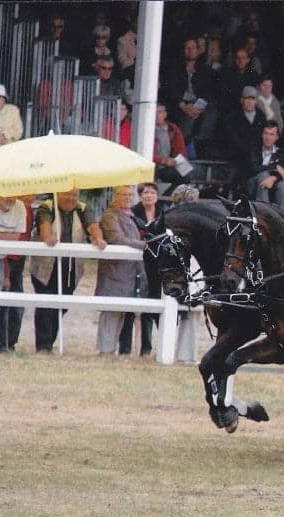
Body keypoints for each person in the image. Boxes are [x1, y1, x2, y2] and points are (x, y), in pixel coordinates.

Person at [31, 189, 106, 352]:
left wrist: (98, 238)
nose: (70, 198)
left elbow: (93, 225)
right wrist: (48, 237)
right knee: (46, 304)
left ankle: (49, 341)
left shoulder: (82, 208)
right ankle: (44, 346)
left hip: (70, 269)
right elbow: (44, 227)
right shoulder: (47, 207)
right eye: (66, 194)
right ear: (58, 194)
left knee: (62, 305)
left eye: (74, 195)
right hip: (45, 268)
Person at [95, 187, 147, 355]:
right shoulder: (111, 216)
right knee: (111, 312)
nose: (127, 197)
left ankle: (110, 350)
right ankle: (105, 350)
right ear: (115, 197)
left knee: (120, 312)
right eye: (123, 194)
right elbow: (117, 239)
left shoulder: (130, 216)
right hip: (114, 271)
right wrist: (145, 245)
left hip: (129, 273)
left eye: (130, 195)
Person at [119, 183, 165, 356]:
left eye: (152, 192)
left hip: (156, 267)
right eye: (145, 192)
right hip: (136, 264)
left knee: (150, 307)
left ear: (157, 196)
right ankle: (125, 347)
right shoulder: (133, 213)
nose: (148, 195)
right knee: (130, 307)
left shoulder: (163, 213)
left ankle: (146, 348)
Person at [0, 194, 34, 352]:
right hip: (5, 258)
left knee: (1, 305)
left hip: (5, 260)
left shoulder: (22, 208)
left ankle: (3, 344)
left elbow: (17, 237)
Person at [225, 86, 267, 194]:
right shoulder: (232, 117)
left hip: (256, 155)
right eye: (247, 99)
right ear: (241, 100)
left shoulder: (261, 117)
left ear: (256, 101)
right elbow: (232, 139)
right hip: (238, 155)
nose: (249, 102)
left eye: (252, 99)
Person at [245, 120, 284, 210]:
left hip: (272, 185)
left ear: (277, 137)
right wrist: (274, 167)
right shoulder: (254, 149)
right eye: (266, 133)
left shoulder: (281, 153)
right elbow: (253, 168)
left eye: (271, 134)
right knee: (263, 175)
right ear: (262, 135)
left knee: (282, 186)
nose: (268, 137)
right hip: (252, 185)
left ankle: (282, 216)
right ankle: (263, 213)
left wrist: (273, 178)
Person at [153, 101, 190, 191]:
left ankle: (167, 200)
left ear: (165, 114)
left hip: (171, 163)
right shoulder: (147, 128)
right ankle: (165, 201)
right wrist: (163, 160)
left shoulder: (172, 128)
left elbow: (181, 150)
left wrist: (178, 160)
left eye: (160, 112)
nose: (157, 115)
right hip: (155, 165)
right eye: (155, 112)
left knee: (187, 172)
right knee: (181, 176)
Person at [0, 84, 23, 151]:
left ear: (4, 99)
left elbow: (19, 131)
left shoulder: (13, 110)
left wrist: (5, 135)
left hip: (9, 148)